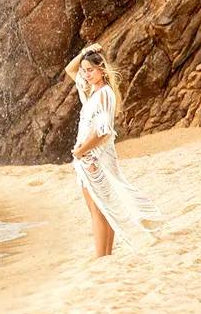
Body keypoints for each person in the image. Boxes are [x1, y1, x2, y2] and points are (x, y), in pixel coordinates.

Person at [64, 44, 161, 257]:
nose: (86, 74)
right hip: (87, 159)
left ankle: (101, 257)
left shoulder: (104, 94)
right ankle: (105, 255)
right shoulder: (91, 94)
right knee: (101, 208)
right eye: (85, 70)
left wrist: (80, 151)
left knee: (98, 211)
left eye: (90, 70)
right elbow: (70, 71)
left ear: (102, 70)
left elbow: (103, 132)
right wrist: (84, 51)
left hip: (93, 160)